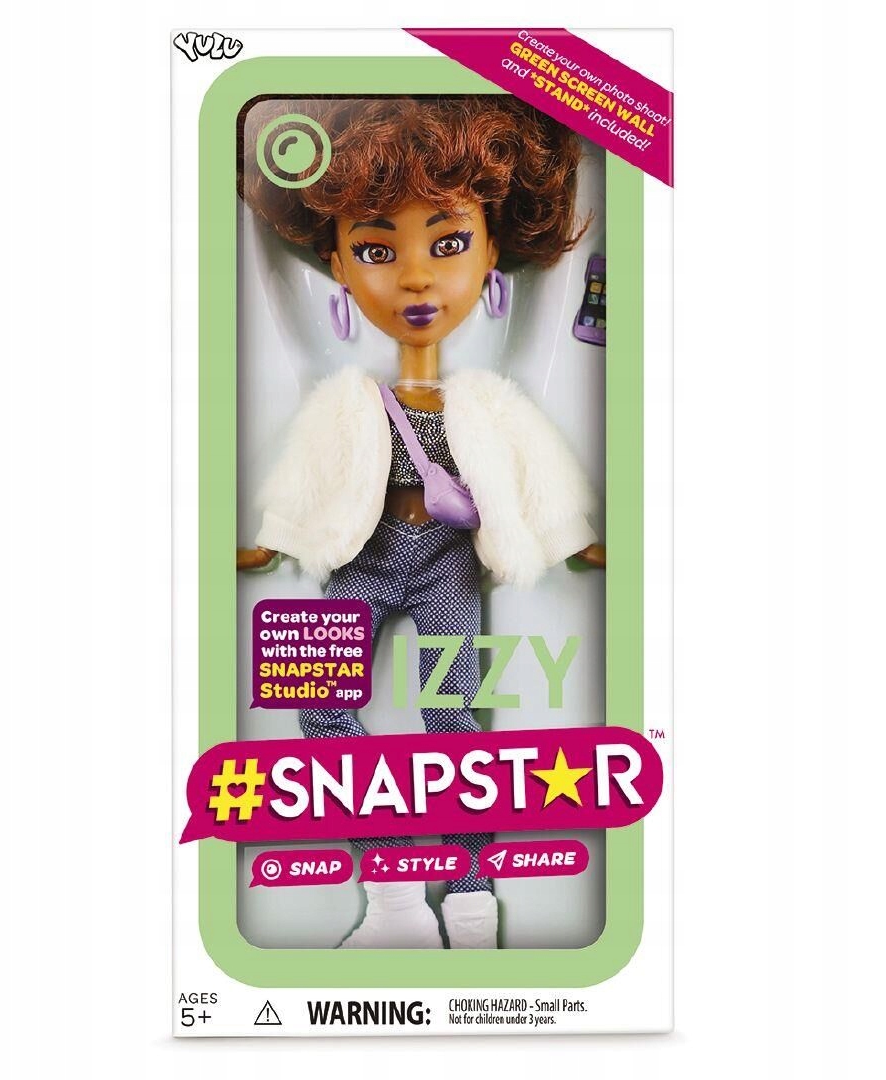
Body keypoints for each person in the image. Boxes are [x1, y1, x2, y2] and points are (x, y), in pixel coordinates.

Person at [237, 96, 605, 949]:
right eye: (376, 249)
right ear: (335, 262)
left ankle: (471, 905)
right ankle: (395, 897)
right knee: (318, 705)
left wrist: (573, 538)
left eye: (448, 243)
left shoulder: (486, 401)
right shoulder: (349, 399)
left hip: (446, 564)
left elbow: (537, 474)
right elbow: (310, 476)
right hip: (360, 560)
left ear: (491, 252)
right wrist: (274, 537)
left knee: (454, 724)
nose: (414, 279)